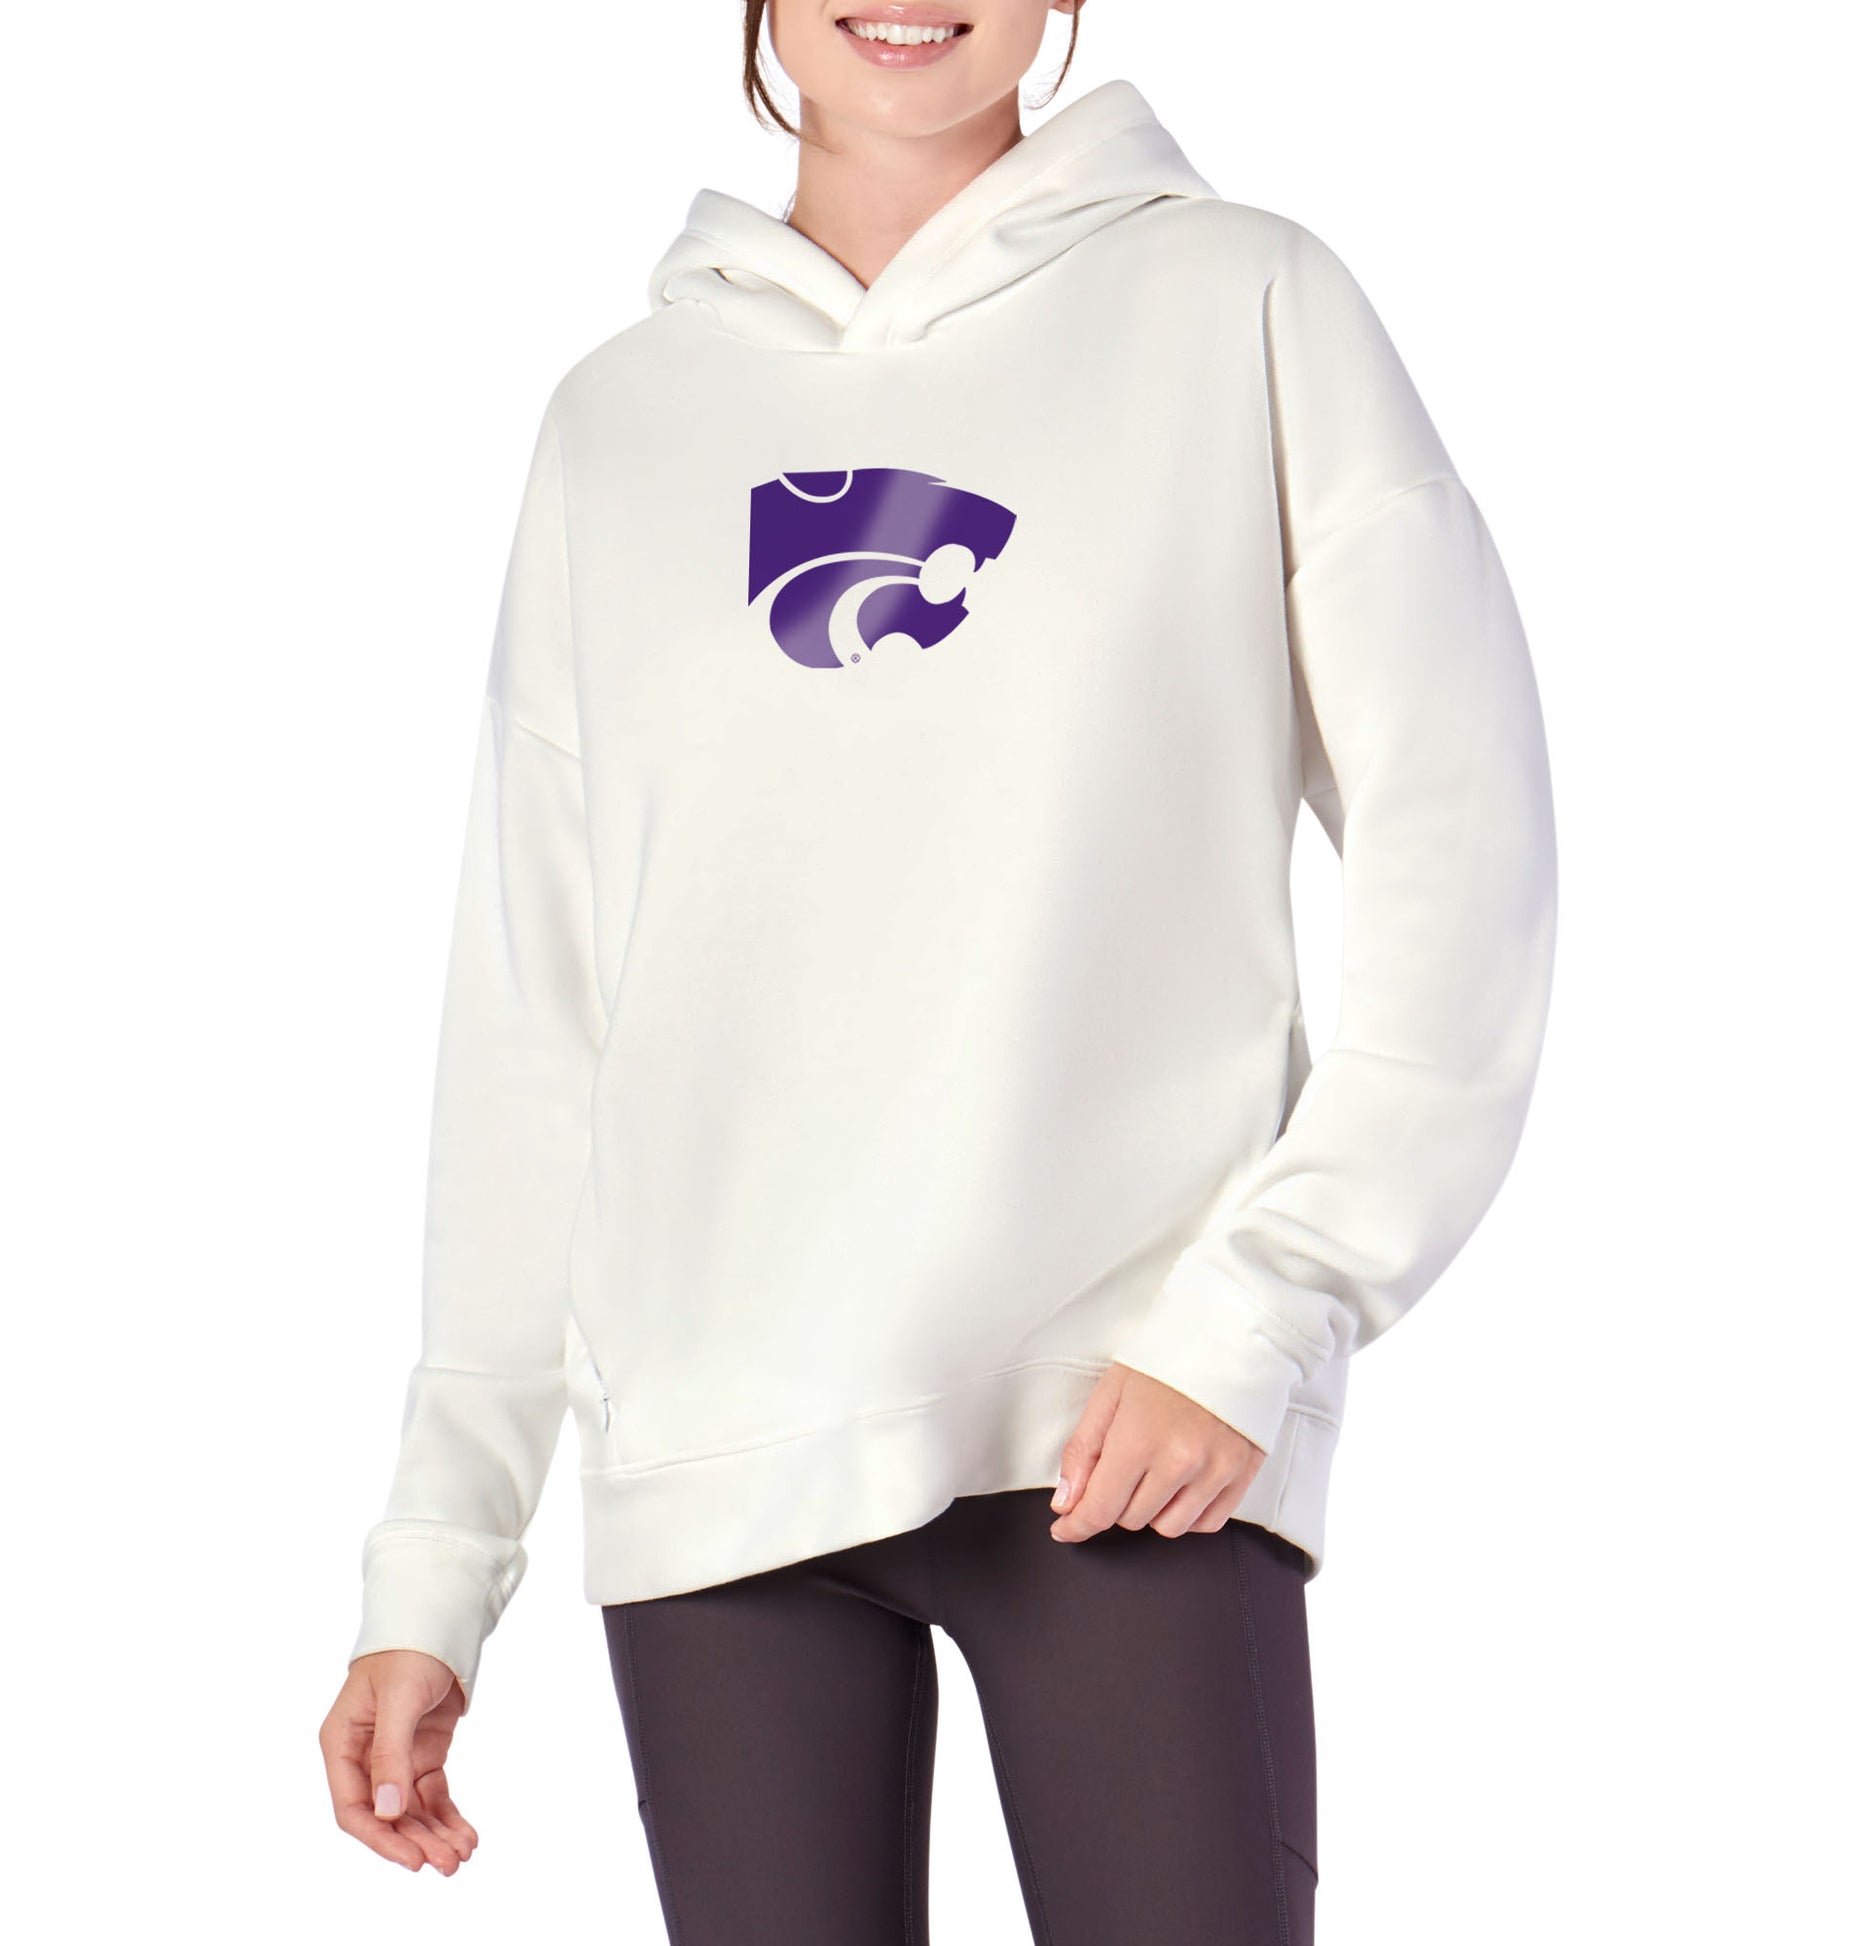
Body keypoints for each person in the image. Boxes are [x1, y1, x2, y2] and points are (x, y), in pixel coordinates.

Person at [318, 4, 1558, 1941]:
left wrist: (1264, 1308)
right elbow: (538, 1014)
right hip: (716, 1455)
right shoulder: (621, 418)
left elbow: (1458, 845)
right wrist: (436, 1552)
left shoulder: (1243, 305)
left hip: (1123, 1419)